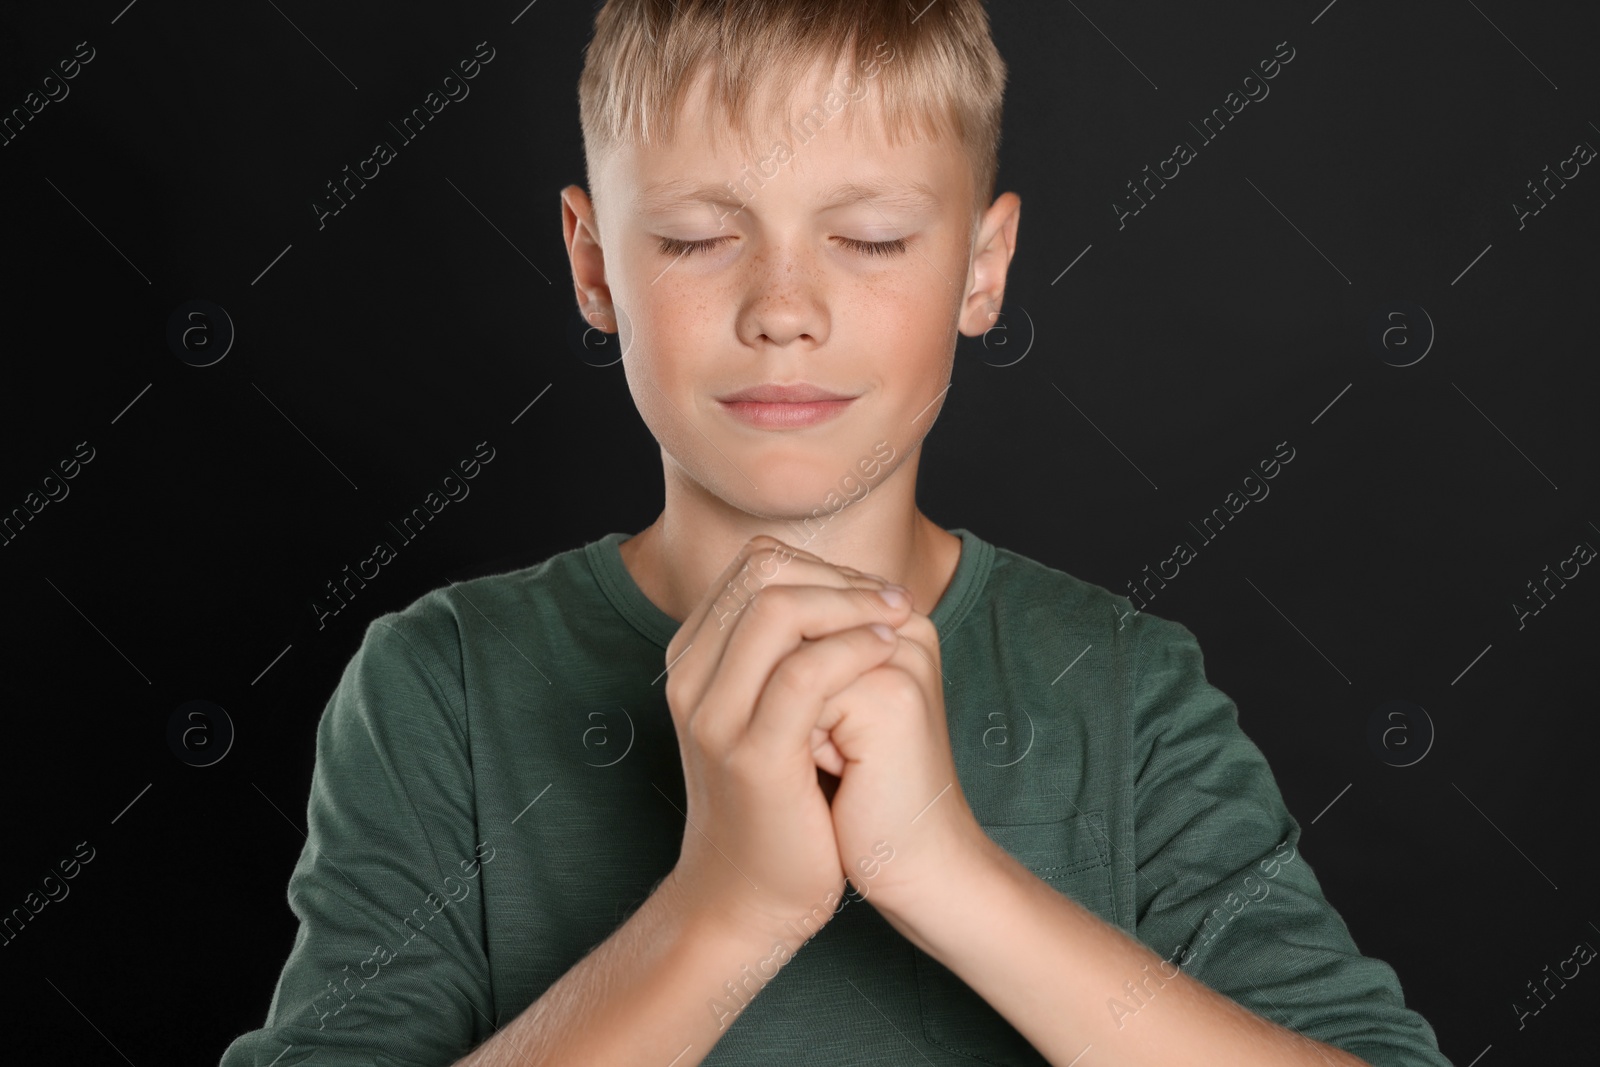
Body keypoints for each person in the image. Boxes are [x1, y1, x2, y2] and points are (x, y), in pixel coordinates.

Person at [220, 1, 1453, 1064]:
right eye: (699, 238)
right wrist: (726, 906)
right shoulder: (439, 683)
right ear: (595, 267)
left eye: (867, 240)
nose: (783, 310)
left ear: (983, 267)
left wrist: (943, 870)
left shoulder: (1124, 688)